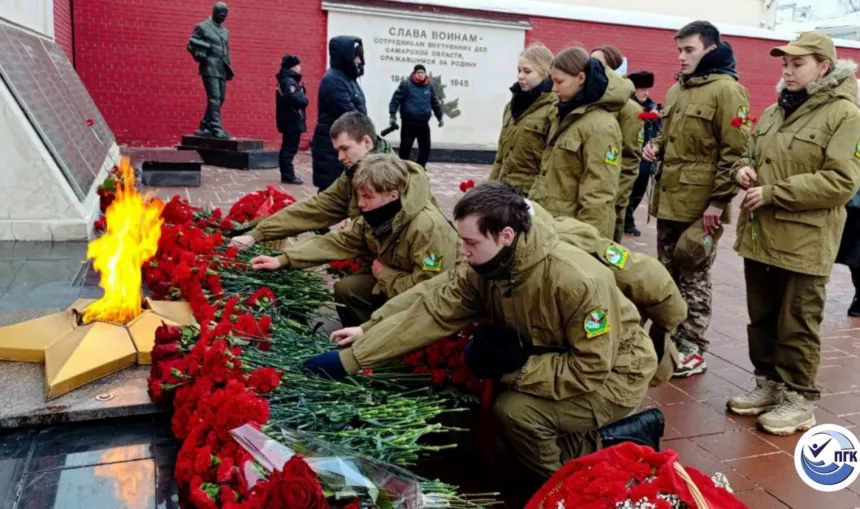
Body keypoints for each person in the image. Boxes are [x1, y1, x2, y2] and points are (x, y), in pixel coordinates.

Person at [301, 182, 665, 481]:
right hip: (557, 359)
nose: (462, 252)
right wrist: (357, 350)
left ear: (505, 235)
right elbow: (432, 307)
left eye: (471, 243)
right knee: (508, 418)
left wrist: (517, 369)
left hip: (616, 373)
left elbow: (591, 367)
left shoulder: (576, 280)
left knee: (516, 413)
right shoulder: (488, 266)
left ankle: (574, 478)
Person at [347, 196, 685, 387]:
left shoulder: (576, 251)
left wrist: (665, 331)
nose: (464, 251)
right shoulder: (498, 256)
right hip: (565, 339)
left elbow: (650, 281)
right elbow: (436, 294)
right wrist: (371, 328)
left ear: (511, 233)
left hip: (608, 342)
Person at [728, 32, 860, 436]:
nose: (787, 70)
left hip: (806, 238)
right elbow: (750, 153)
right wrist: (741, 170)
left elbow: (841, 181)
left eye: (797, 63)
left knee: (798, 321)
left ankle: (800, 399)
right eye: (784, 63)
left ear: (824, 67)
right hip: (761, 234)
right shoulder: (775, 110)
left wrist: (774, 193)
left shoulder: (846, 114)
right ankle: (768, 384)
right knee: (762, 317)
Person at [642, 20, 750, 377]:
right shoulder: (678, 90)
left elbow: (735, 153)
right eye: (679, 50)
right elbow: (668, 135)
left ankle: (692, 348)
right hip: (670, 199)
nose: (682, 56)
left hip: (702, 206)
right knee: (668, 273)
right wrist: (655, 147)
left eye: (689, 50)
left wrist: (718, 203)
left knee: (694, 276)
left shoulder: (728, 91)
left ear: (711, 49)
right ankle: (668, 340)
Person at [249, 154, 458, 327]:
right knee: (347, 289)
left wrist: (385, 275)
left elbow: (429, 287)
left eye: (367, 196)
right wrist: (283, 259)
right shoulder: (377, 215)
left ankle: (384, 346)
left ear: (393, 195)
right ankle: (361, 340)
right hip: (394, 279)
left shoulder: (428, 228)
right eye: (359, 196)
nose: (361, 204)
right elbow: (338, 241)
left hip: (430, 302)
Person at [229, 112, 437, 251]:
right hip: (378, 260)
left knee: (349, 289)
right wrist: (256, 234)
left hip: (412, 270)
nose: (340, 157)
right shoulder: (354, 175)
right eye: (337, 150)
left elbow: (424, 247)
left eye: (345, 149)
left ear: (367, 142)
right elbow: (314, 209)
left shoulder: (400, 179)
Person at [528, 46, 631, 239]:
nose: (554, 88)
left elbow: (599, 193)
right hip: (550, 224)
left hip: (572, 230)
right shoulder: (564, 115)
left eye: (559, 81)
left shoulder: (601, 126)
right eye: (553, 81)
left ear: (581, 78)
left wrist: (588, 241)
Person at [591, 45, 643, 242]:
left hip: (609, 201)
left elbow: (630, 160)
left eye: (598, 64)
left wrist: (614, 199)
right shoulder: (588, 102)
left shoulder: (630, 110)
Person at [487, 43, 555, 196]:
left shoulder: (553, 109)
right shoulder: (511, 107)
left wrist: (536, 200)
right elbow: (500, 158)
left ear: (545, 72)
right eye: (519, 70)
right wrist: (488, 191)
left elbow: (550, 166)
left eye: (527, 71)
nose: (520, 76)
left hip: (530, 196)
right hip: (503, 192)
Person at [312, 36, 367, 192]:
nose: (358, 61)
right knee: (331, 192)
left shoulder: (348, 79)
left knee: (342, 191)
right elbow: (350, 114)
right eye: (355, 56)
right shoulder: (333, 81)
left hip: (343, 143)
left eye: (360, 56)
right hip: (332, 147)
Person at [187, 2, 233, 139]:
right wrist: (199, 55)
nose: (223, 16)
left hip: (222, 68)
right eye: (221, 13)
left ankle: (205, 125)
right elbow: (190, 44)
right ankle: (216, 128)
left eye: (225, 14)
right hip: (209, 67)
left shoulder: (225, 31)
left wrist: (229, 68)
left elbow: (226, 50)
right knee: (214, 98)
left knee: (221, 98)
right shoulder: (202, 27)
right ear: (214, 12)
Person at [624, 71, 659, 237]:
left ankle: (628, 217)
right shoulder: (627, 106)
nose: (646, 93)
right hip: (629, 153)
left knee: (640, 188)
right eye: (642, 89)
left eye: (647, 89)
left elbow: (658, 131)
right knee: (627, 188)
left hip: (646, 156)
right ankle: (627, 220)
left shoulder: (653, 108)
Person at [389, 64, 444, 168]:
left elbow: (434, 102)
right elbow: (395, 100)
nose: (420, 75)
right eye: (418, 72)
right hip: (409, 123)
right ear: (414, 74)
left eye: (422, 72)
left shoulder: (429, 86)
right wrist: (392, 115)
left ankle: (420, 168)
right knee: (405, 149)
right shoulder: (406, 84)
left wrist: (439, 117)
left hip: (423, 123)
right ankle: (402, 169)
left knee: (426, 149)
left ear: (425, 74)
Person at [275, 54, 307, 185]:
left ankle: (287, 173)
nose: (300, 67)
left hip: (289, 120)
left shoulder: (287, 80)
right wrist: (304, 98)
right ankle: (288, 175)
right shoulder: (289, 82)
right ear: (292, 67)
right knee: (289, 148)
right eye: (298, 65)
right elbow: (296, 100)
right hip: (291, 121)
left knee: (288, 147)